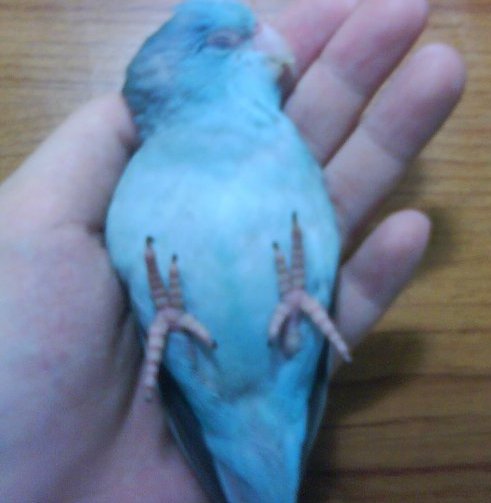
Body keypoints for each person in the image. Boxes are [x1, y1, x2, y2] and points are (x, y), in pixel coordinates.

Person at [0, 0, 465, 501]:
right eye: (224, 44)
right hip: (202, 402)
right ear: (166, 72)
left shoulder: (286, 149)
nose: (266, 45)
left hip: (284, 388)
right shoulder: (144, 166)